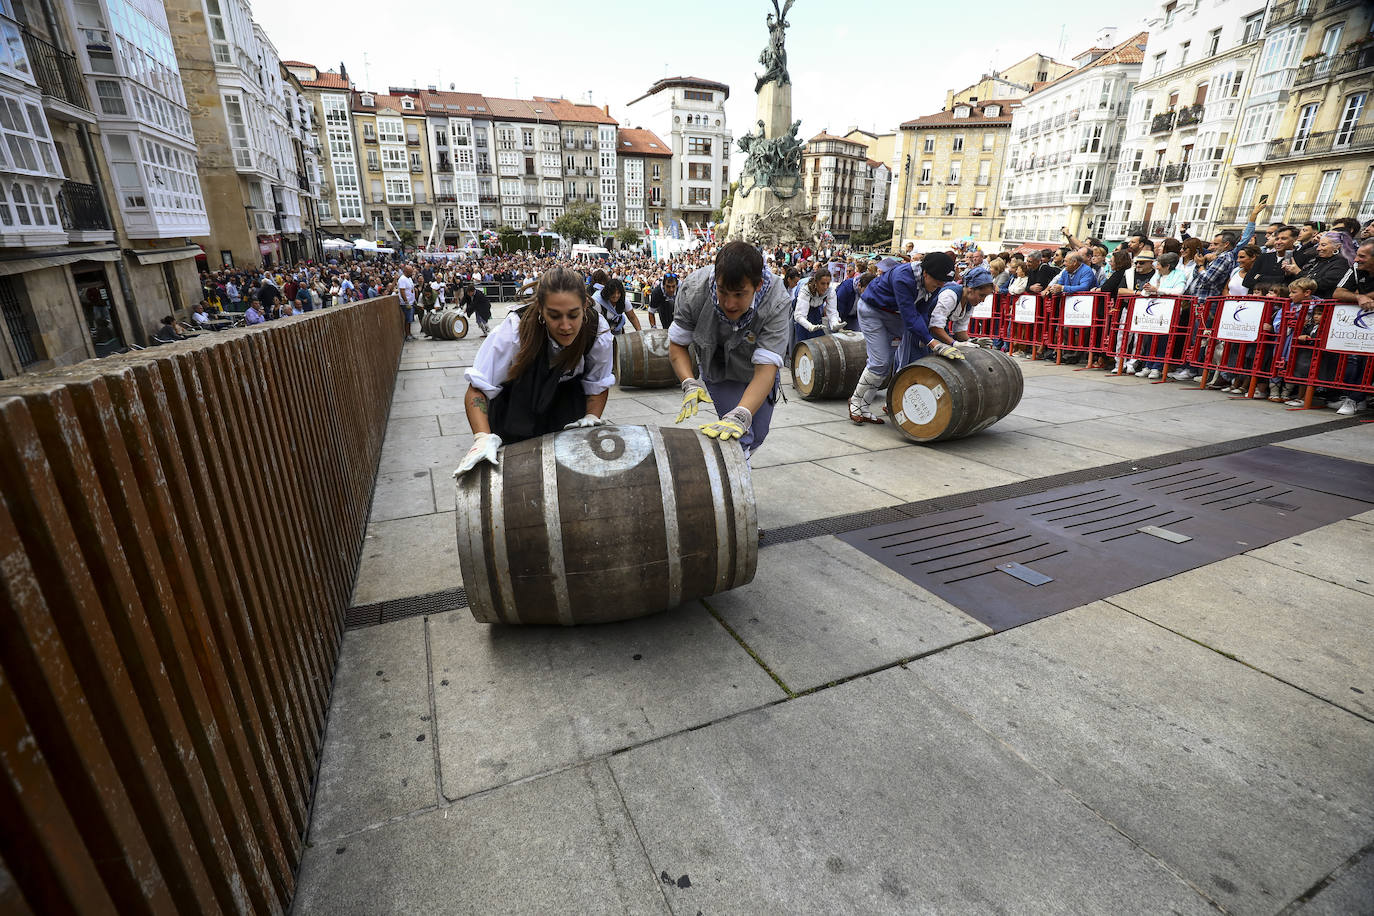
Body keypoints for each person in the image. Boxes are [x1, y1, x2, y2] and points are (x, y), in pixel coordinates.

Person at [455, 267, 615, 475]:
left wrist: (591, 417)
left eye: (573, 315)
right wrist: (482, 438)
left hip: (565, 411)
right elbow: (477, 389)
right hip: (518, 409)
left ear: (585, 305)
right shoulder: (514, 330)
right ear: (540, 308)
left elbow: (598, 383)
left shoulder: (596, 330)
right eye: (555, 316)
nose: (566, 326)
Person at [666, 241, 789, 459]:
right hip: (718, 367)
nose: (729, 303)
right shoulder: (694, 290)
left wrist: (742, 414)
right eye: (722, 291)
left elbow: (766, 369)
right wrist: (689, 382)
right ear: (715, 277)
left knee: (757, 432)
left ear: (758, 285)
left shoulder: (777, 300)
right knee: (739, 437)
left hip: (756, 369)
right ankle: (738, 484)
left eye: (739, 294)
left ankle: (741, 461)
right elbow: (677, 345)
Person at [846, 250, 966, 424]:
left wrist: (928, 339)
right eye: (938, 281)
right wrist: (934, 343)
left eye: (943, 282)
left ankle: (863, 406)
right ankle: (856, 401)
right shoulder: (903, 278)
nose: (940, 285)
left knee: (886, 363)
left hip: (894, 317)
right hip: (873, 312)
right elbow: (910, 317)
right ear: (925, 273)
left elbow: (922, 313)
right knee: (880, 362)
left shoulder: (932, 283)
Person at [1288, 231, 1351, 299]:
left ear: (1337, 246)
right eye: (1318, 245)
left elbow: (1323, 284)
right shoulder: (1317, 260)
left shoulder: (1342, 263)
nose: (1318, 249)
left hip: (1322, 305)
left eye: (1323, 245)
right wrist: (1289, 273)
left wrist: (1298, 272)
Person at [793, 267, 841, 349]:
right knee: (804, 344)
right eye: (822, 283)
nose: (825, 287)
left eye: (828, 283)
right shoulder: (805, 290)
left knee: (819, 342)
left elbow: (832, 311)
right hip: (801, 313)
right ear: (816, 282)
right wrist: (809, 326)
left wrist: (834, 323)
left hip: (816, 311)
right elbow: (799, 315)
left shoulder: (830, 290)